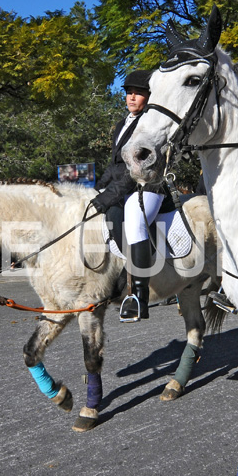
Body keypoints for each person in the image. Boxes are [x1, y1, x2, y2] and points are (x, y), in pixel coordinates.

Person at [90, 69, 172, 322]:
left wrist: (108, 195)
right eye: (128, 92)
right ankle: (127, 269)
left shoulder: (149, 124)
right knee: (112, 215)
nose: (131, 97)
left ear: (149, 96)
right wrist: (97, 188)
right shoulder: (121, 125)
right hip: (124, 188)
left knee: (134, 221)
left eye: (138, 93)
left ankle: (139, 297)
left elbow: (132, 170)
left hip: (148, 186)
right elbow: (115, 164)